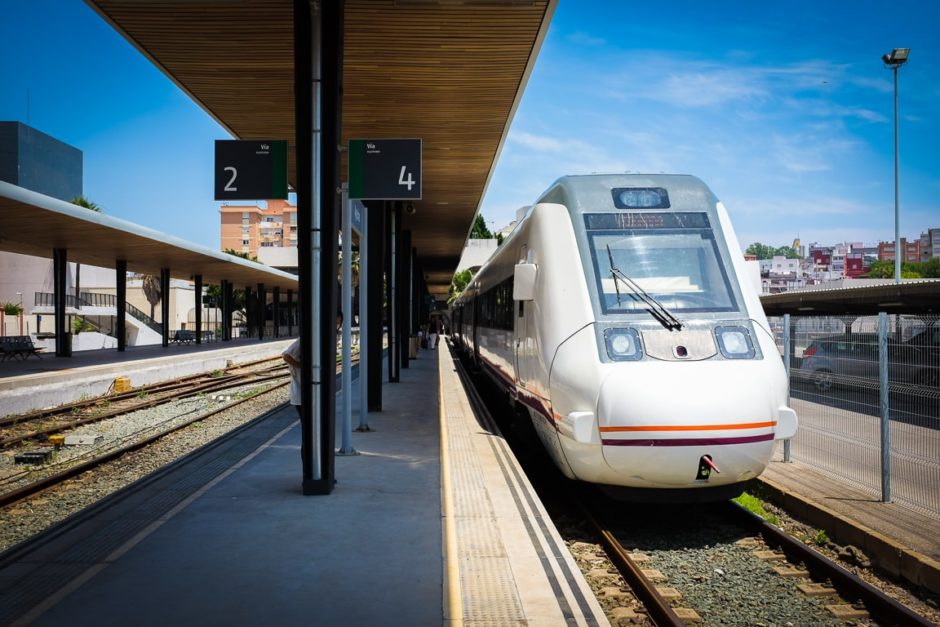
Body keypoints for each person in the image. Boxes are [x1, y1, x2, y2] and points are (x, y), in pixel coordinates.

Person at [282, 338, 304, 461]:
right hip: (301, 394)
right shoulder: (303, 340)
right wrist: (302, 366)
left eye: (339, 323)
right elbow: (286, 356)